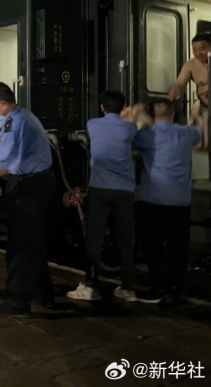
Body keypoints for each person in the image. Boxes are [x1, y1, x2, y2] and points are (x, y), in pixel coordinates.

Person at [0, 82, 56, 316]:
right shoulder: (22, 115)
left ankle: (19, 300)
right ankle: (43, 294)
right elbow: (10, 149)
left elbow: (4, 167)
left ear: (3, 104)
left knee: (21, 245)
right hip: (39, 184)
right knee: (34, 243)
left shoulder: (14, 123)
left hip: (29, 187)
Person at [67, 90, 138, 303]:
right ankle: (128, 288)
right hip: (124, 191)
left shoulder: (93, 125)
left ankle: (91, 287)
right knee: (126, 240)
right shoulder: (130, 128)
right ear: (123, 107)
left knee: (94, 239)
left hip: (99, 188)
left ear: (102, 107)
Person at [133, 99, 201, 305]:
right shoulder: (187, 133)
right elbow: (199, 132)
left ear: (153, 116)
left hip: (153, 200)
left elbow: (129, 142)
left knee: (153, 247)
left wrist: (139, 121)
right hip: (180, 202)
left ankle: (158, 287)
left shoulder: (147, 135)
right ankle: (177, 289)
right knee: (178, 248)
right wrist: (196, 115)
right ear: (172, 114)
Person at [168, 32, 211, 148]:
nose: (198, 53)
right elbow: (179, 84)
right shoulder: (190, 65)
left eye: (203, 49)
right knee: (198, 139)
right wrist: (171, 95)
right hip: (204, 105)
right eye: (194, 50)